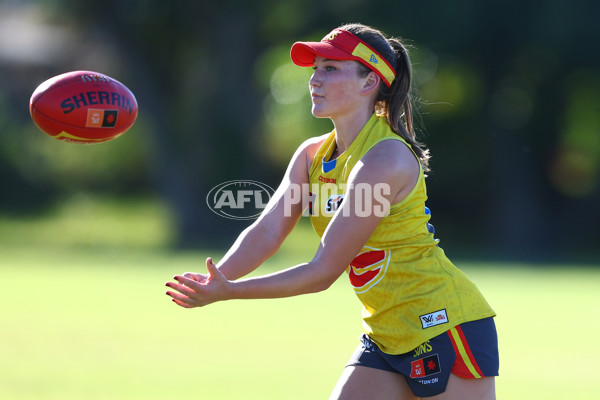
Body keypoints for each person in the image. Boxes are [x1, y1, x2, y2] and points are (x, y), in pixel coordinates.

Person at [165, 23, 499, 400]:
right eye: (315, 69)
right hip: (386, 332)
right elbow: (269, 231)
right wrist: (216, 278)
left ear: (369, 81)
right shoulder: (312, 155)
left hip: (442, 323)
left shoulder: (384, 158)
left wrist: (232, 292)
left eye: (330, 69)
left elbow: (323, 271)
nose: (314, 80)